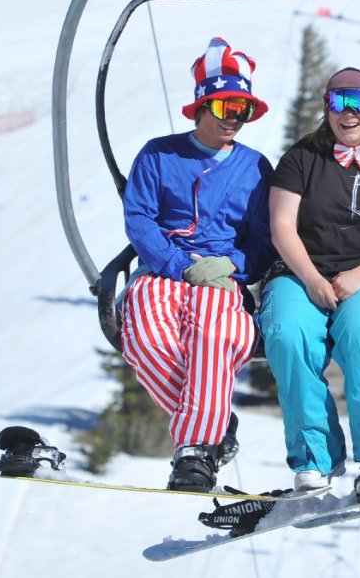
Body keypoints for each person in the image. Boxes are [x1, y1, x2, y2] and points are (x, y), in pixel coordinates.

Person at [259, 67, 360, 501]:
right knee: (288, 335)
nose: (348, 114)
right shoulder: (301, 158)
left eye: (358, 103)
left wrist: (359, 275)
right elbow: (282, 226)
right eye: (338, 103)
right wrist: (312, 279)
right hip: (302, 272)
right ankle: (315, 457)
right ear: (326, 107)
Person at [120, 37, 274, 492]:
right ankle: (215, 424)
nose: (236, 121)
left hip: (223, 279)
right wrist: (178, 264)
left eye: (243, 111)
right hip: (164, 271)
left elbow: (265, 239)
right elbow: (140, 219)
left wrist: (230, 267)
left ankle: (194, 454)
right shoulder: (159, 154)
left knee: (213, 333)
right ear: (202, 107)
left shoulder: (254, 168)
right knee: (146, 336)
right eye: (227, 109)